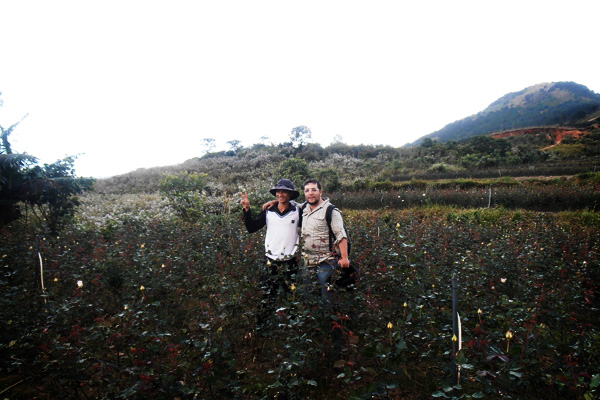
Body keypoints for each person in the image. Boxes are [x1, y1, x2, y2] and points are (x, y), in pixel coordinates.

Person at [240, 178, 301, 328]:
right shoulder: (268, 210)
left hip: (290, 261)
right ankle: (262, 328)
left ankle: (293, 330)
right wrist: (247, 210)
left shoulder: (298, 211)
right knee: (267, 295)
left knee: (291, 297)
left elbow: (314, 204)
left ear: (291, 194)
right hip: (270, 260)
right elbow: (252, 227)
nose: (281, 194)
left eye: (284, 191)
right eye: (278, 191)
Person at [300, 178, 349, 303]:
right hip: (308, 261)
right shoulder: (304, 209)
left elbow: (341, 235)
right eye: (307, 191)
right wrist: (274, 201)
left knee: (327, 297)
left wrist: (344, 257)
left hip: (326, 261)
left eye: (314, 190)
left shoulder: (331, 211)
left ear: (320, 192)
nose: (310, 193)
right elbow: (289, 204)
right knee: (308, 297)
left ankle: (330, 320)